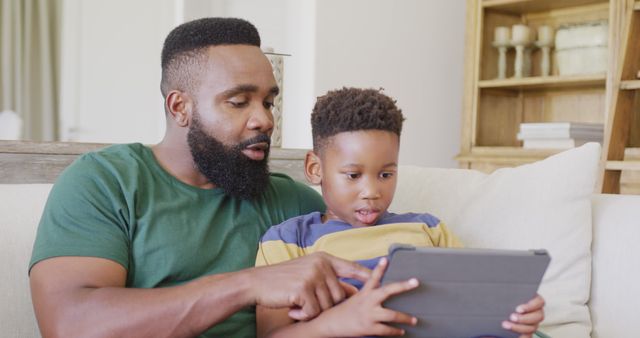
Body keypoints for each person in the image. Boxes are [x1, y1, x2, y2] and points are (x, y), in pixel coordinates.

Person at [27, 18, 416, 338]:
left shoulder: (300, 207)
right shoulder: (105, 183)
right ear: (180, 107)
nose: (265, 119)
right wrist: (249, 284)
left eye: (268, 101)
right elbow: (69, 325)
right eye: (238, 101)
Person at [255, 87, 546, 338]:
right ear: (315, 169)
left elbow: (472, 308)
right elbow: (270, 335)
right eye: (353, 175)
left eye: (385, 174)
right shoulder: (287, 241)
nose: (372, 191)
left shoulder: (428, 230)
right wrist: (339, 322)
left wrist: (514, 317)